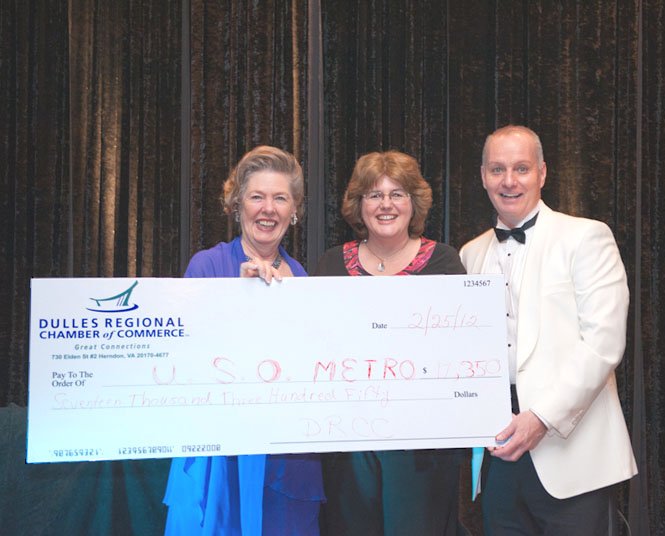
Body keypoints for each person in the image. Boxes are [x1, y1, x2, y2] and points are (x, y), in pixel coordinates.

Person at [460, 125, 638, 535]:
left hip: (571, 453)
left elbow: (603, 344)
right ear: (483, 176)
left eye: (521, 168)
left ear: (542, 172)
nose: (509, 181)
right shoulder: (470, 253)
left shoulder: (587, 237)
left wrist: (541, 418)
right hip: (498, 454)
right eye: (497, 169)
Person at [163, 146, 325, 535]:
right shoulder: (208, 266)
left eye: (280, 198)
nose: (268, 208)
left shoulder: (304, 280)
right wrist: (237, 299)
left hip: (289, 462)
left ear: (294, 211)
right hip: (220, 460)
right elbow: (181, 360)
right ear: (237, 205)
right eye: (257, 197)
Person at [314, 150, 465, 536]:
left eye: (397, 194)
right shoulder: (329, 265)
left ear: (414, 202)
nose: (385, 205)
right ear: (358, 205)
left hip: (423, 452)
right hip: (348, 450)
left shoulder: (445, 264)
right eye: (373, 195)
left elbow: (461, 354)